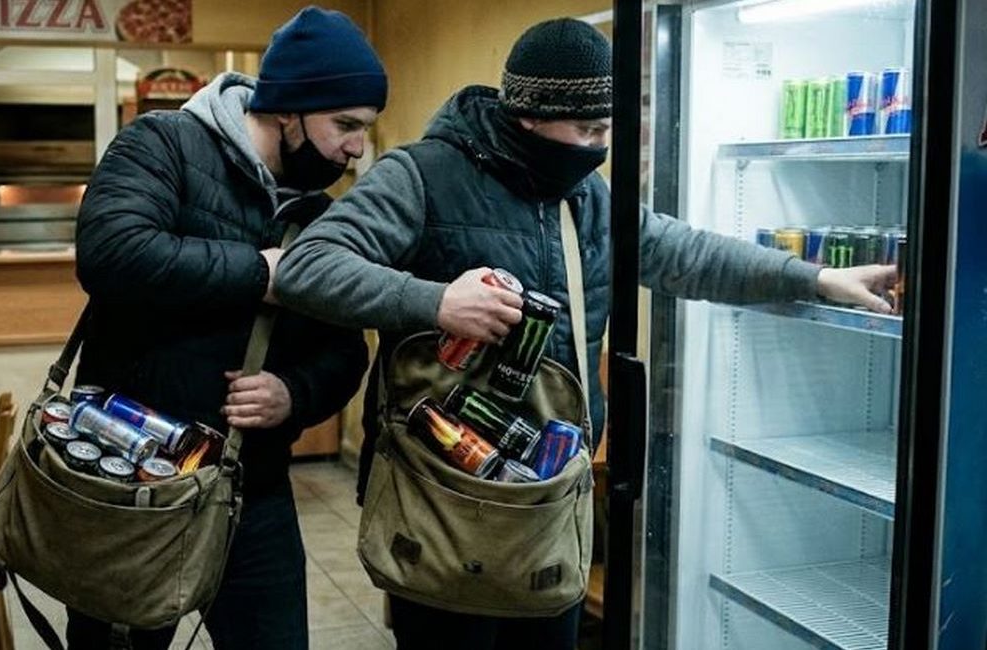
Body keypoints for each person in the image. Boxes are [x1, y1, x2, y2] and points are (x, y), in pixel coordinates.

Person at [273, 16, 896, 649]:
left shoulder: (588, 199)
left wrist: (816, 279)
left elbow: (689, 254)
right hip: (442, 489)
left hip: (549, 493)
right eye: (588, 130)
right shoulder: (421, 176)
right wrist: (438, 303)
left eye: (606, 129)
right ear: (531, 116)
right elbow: (308, 268)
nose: (599, 146)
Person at [69, 6, 387, 649]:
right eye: (346, 124)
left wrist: (293, 394)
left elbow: (344, 351)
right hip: (132, 479)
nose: (357, 147)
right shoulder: (162, 144)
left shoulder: (321, 214)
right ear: (289, 110)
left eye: (364, 128)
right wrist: (258, 272)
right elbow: (110, 254)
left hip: (253, 489)